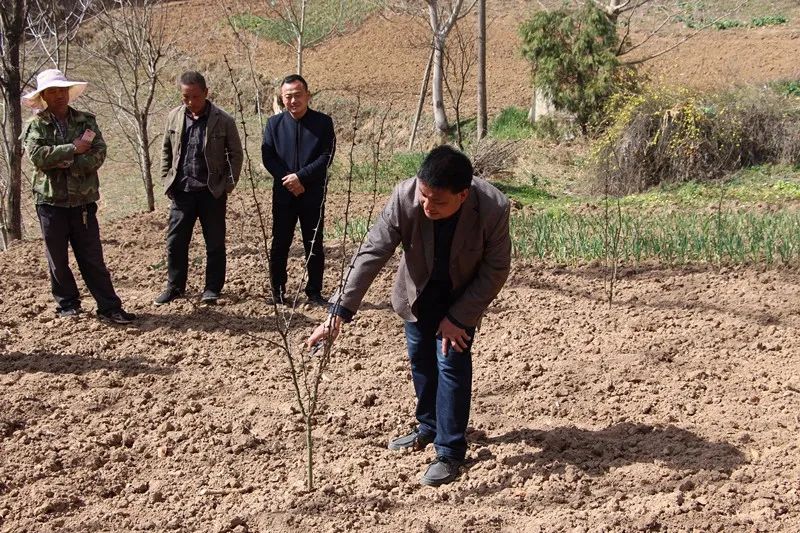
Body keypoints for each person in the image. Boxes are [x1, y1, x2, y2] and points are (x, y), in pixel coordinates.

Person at [307, 145, 511, 486]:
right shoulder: (405, 197)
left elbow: (496, 268)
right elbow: (372, 251)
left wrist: (460, 318)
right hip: (417, 293)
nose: (427, 206)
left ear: (463, 194)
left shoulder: (492, 207)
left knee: (450, 364)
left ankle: (450, 452)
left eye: (438, 201)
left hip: (462, 297)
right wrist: (338, 312)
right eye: (424, 196)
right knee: (421, 362)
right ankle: (428, 427)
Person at [21, 69, 135, 325]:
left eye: (62, 90)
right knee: (57, 258)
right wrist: (72, 149)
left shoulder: (85, 121)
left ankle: (109, 306)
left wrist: (64, 161)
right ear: (43, 96)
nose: (59, 96)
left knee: (92, 257)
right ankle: (67, 304)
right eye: (52, 91)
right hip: (50, 202)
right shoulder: (36, 125)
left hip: (83, 201)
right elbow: (38, 157)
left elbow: (99, 153)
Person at [154, 71, 243, 306]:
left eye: (195, 96)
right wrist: (166, 180)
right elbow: (166, 150)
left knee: (214, 242)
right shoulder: (174, 117)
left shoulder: (223, 120)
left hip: (211, 192)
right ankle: (175, 286)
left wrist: (228, 185)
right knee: (175, 242)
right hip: (182, 191)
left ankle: (212, 288)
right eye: (186, 97)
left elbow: (236, 155)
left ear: (205, 92)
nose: (191, 102)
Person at [261, 74, 335, 306]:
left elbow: (326, 156)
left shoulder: (323, 123)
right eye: (288, 97)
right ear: (282, 99)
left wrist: (301, 177)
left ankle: (314, 290)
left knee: (313, 242)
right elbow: (268, 156)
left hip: (312, 193)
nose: (293, 101)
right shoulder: (274, 124)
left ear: (308, 96)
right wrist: (288, 180)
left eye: (297, 95)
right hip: (284, 194)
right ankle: (278, 290)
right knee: (280, 242)